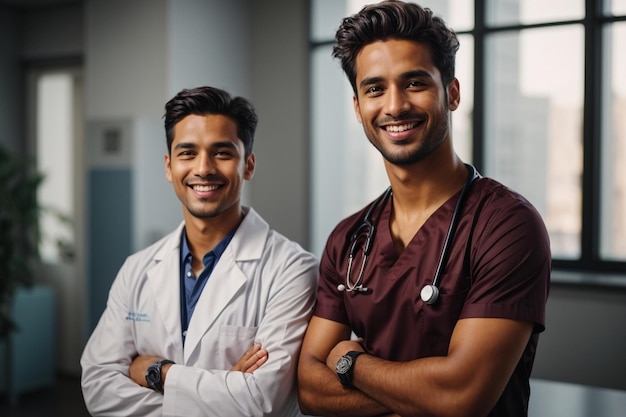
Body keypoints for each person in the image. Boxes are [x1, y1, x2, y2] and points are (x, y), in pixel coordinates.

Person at [297, 2, 551, 417]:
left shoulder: (506, 225)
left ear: (451, 93)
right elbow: (309, 387)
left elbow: (459, 397)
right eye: (375, 89)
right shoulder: (348, 239)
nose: (395, 106)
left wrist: (349, 361)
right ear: (358, 107)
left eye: (414, 83)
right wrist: (419, 396)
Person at [81, 86, 318, 416]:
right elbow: (98, 385)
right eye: (187, 153)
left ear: (248, 165)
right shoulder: (137, 269)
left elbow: (261, 401)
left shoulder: (292, 270)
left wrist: (158, 372)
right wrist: (223, 387)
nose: (203, 168)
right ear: (169, 166)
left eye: (222, 153)